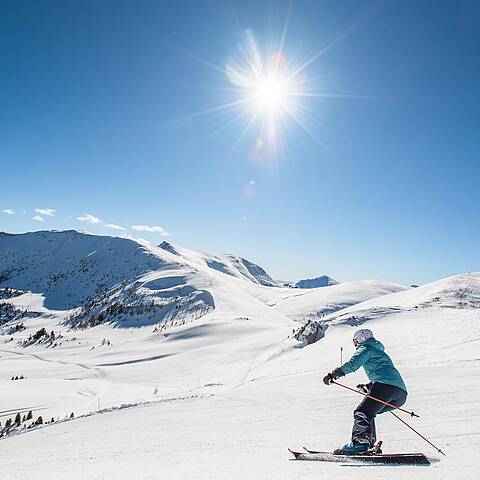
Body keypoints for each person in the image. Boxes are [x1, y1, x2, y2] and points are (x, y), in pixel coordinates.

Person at [323, 328, 408, 455]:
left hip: (385, 387)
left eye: (355, 341)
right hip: (400, 394)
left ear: (361, 339)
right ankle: (368, 442)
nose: (355, 345)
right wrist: (369, 387)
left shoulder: (366, 348)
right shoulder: (379, 352)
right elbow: (384, 373)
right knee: (369, 413)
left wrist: (334, 374)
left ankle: (360, 443)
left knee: (362, 412)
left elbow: (353, 364)